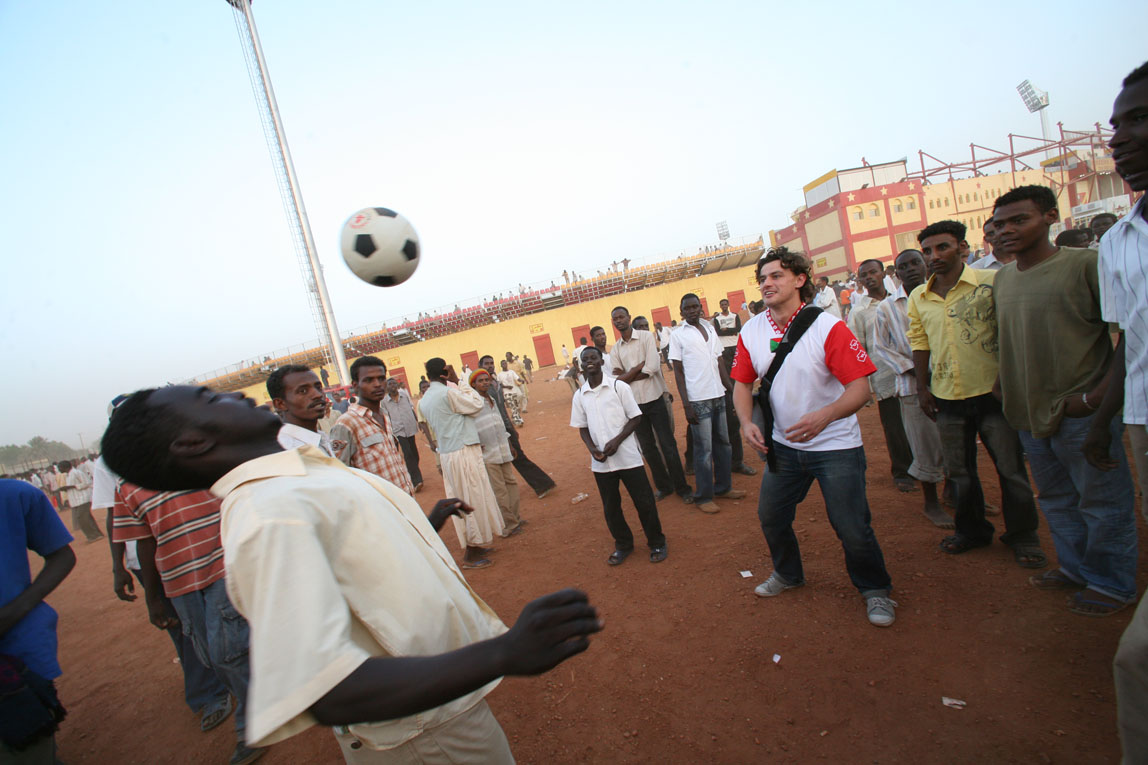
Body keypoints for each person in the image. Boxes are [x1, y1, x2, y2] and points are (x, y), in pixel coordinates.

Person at [100, 385, 602, 763]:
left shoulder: (294, 479)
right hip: (422, 736)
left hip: (439, 709)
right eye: (210, 399)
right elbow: (327, 689)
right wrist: (504, 652)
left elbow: (367, 560)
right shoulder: (268, 512)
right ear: (191, 442)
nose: (235, 394)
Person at [990, 184, 1137, 617]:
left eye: (1020, 220)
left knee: (1103, 501)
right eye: (1000, 224)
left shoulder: (1085, 266)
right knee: (1055, 498)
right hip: (1029, 414)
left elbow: (1128, 335)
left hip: (1080, 413)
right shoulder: (1003, 277)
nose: (1007, 231)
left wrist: (1094, 400)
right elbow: (1009, 339)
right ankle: (1076, 569)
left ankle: (1112, 584)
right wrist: (1004, 384)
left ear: (1051, 217)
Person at [730, 247, 896, 628]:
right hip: (784, 447)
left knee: (851, 525)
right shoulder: (751, 330)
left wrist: (826, 415)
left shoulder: (826, 327)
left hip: (835, 445)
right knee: (771, 516)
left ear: (800, 280)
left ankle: (875, 590)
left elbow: (860, 389)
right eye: (762, 278)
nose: (767, 283)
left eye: (776, 276)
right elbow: (741, 384)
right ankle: (788, 574)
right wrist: (745, 421)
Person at [907, 220, 1046, 568]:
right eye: (927, 251)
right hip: (946, 396)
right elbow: (920, 343)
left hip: (993, 394)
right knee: (960, 471)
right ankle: (971, 531)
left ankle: (1023, 536)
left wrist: (1007, 380)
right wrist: (923, 388)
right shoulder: (919, 297)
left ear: (963, 249)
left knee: (1010, 469)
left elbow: (1011, 332)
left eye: (942, 247)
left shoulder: (991, 283)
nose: (934, 256)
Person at [1082, 61, 1148, 762]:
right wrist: (1104, 418)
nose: (1119, 138)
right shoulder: (1119, 241)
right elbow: (1126, 340)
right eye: (1117, 125)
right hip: (1140, 422)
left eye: (1139, 120)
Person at [111, 480, 264, 764]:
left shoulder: (194, 455)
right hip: (178, 580)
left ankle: (252, 729)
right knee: (208, 655)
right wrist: (152, 598)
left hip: (223, 563)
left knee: (225, 654)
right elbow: (144, 540)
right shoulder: (125, 486)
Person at [870, 250, 953, 528]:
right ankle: (931, 503)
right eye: (903, 266)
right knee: (924, 444)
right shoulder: (887, 308)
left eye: (916, 263)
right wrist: (918, 374)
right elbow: (882, 348)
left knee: (955, 441)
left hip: (952, 383)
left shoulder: (943, 297)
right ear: (896, 273)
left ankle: (954, 492)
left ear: (925, 264)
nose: (911, 269)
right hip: (912, 387)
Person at [0, 479, 75, 762]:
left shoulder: (15, 495)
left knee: (30, 745)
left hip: (17, 650)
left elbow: (62, 555)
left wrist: (16, 609)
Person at [571, 346, 667, 565]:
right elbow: (582, 427)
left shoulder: (618, 387)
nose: (589, 362)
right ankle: (623, 544)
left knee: (644, 502)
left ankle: (657, 542)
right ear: (581, 365)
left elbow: (635, 418)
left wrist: (617, 441)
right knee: (611, 507)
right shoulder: (580, 395)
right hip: (601, 464)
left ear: (601, 360)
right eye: (585, 359)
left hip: (628, 457)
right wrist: (592, 449)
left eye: (593, 357)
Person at [420, 358, 505, 568]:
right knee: (471, 497)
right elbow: (476, 404)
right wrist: (459, 381)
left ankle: (476, 544)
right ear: (443, 373)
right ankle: (471, 552)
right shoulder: (448, 392)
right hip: (462, 451)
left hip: (450, 453)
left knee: (465, 496)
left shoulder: (424, 399)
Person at [669, 294, 746, 513]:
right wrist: (686, 405)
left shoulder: (711, 329)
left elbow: (719, 361)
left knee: (723, 443)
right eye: (688, 308)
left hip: (717, 394)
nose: (692, 311)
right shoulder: (678, 335)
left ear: (701, 308)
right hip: (697, 398)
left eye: (695, 307)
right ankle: (703, 496)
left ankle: (723, 487)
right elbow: (678, 371)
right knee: (704, 450)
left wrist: (730, 390)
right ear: (681, 311)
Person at [610, 306, 692, 503]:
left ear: (629, 317)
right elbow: (617, 379)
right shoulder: (615, 349)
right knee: (648, 448)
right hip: (634, 406)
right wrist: (639, 366)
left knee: (668, 445)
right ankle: (664, 486)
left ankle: (682, 487)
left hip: (655, 399)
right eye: (615, 318)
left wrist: (629, 374)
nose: (619, 320)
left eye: (622, 316)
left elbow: (653, 367)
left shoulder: (646, 337)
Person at [848, 258, 916, 492]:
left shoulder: (902, 301)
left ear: (883, 274)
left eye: (873, 272)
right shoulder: (858, 311)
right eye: (863, 275)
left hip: (915, 374)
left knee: (921, 423)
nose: (868, 277)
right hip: (885, 378)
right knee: (895, 427)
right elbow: (858, 348)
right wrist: (864, 385)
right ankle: (902, 472)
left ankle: (928, 467)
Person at [329, 357, 414, 495]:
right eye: (369, 380)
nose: (377, 384)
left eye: (381, 378)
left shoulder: (384, 415)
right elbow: (341, 478)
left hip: (405, 501)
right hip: (379, 508)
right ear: (355, 385)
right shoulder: (346, 424)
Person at [479, 356, 556, 498]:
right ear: (480, 366)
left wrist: (511, 427)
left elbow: (501, 409)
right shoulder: (481, 387)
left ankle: (542, 484)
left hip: (506, 427)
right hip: (495, 430)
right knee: (509, 460)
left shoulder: (494, 382)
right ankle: (542, 484)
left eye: (491, 363)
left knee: (517, 457)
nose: (490, 366)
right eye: (486, 364)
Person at [470, 370, 526, 537]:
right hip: (488, 452)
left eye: (487, 380)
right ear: (473, 384)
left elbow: (500, 423)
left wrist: (509, 443)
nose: (485, 383)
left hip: (502, 447)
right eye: (481, 381)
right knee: (499, 490)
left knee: (511, 484)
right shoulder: (473, 403)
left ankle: (515, 518)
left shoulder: (492, 399)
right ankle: (509, 524)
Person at [713, 299, 757, 477]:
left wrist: (731, 389)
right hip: (707, 391)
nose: (696, 314)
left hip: (725, 387)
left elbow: (736, 329)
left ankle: (736, 462)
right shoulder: (691, 335)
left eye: (698, 310)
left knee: (732, 424)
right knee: (710, 431)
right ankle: (718, 465)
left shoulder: (713, 331)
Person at [268, 365, 334, 457]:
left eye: (318, 387)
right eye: (303, 391)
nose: (318, 395)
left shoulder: (319, 438)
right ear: (280, 404)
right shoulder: (287, 451)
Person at [381, 377, 424, 491]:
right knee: (408, 453)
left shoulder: (404, 395)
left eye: (394, 383)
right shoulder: (384, 401)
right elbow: (385, 417)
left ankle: (411, 472)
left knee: (414, 453)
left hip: (410, 427)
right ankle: (417, 481)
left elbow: (410, 408)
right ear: (386, 387)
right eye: (390, 384)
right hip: (397, 430)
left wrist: (417, 421)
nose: (392, 386)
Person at [59, 458, 102, 542]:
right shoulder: (68, 475)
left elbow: (87, 482)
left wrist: (71, 486)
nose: (59, 469)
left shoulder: (76, 472)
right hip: (77, 500)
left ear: (65, 467)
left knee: (82, 519)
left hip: (83, 498)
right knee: (87, 518)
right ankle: (97, 534)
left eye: (60, 467)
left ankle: (93, 535)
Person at [496, 360, 526, 427]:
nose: (504, 365)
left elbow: (517, 378)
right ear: (501, 365)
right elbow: (499, 385)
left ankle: (515, 418)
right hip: (507, 393)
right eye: (502, 364)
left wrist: (522, 380)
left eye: (505, 363)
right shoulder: (499, 375)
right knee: (513, 407)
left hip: (515, 392)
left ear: (507, 364)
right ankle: (518, 421)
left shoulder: (511, 372)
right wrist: (506, 386)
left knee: (517, 407)